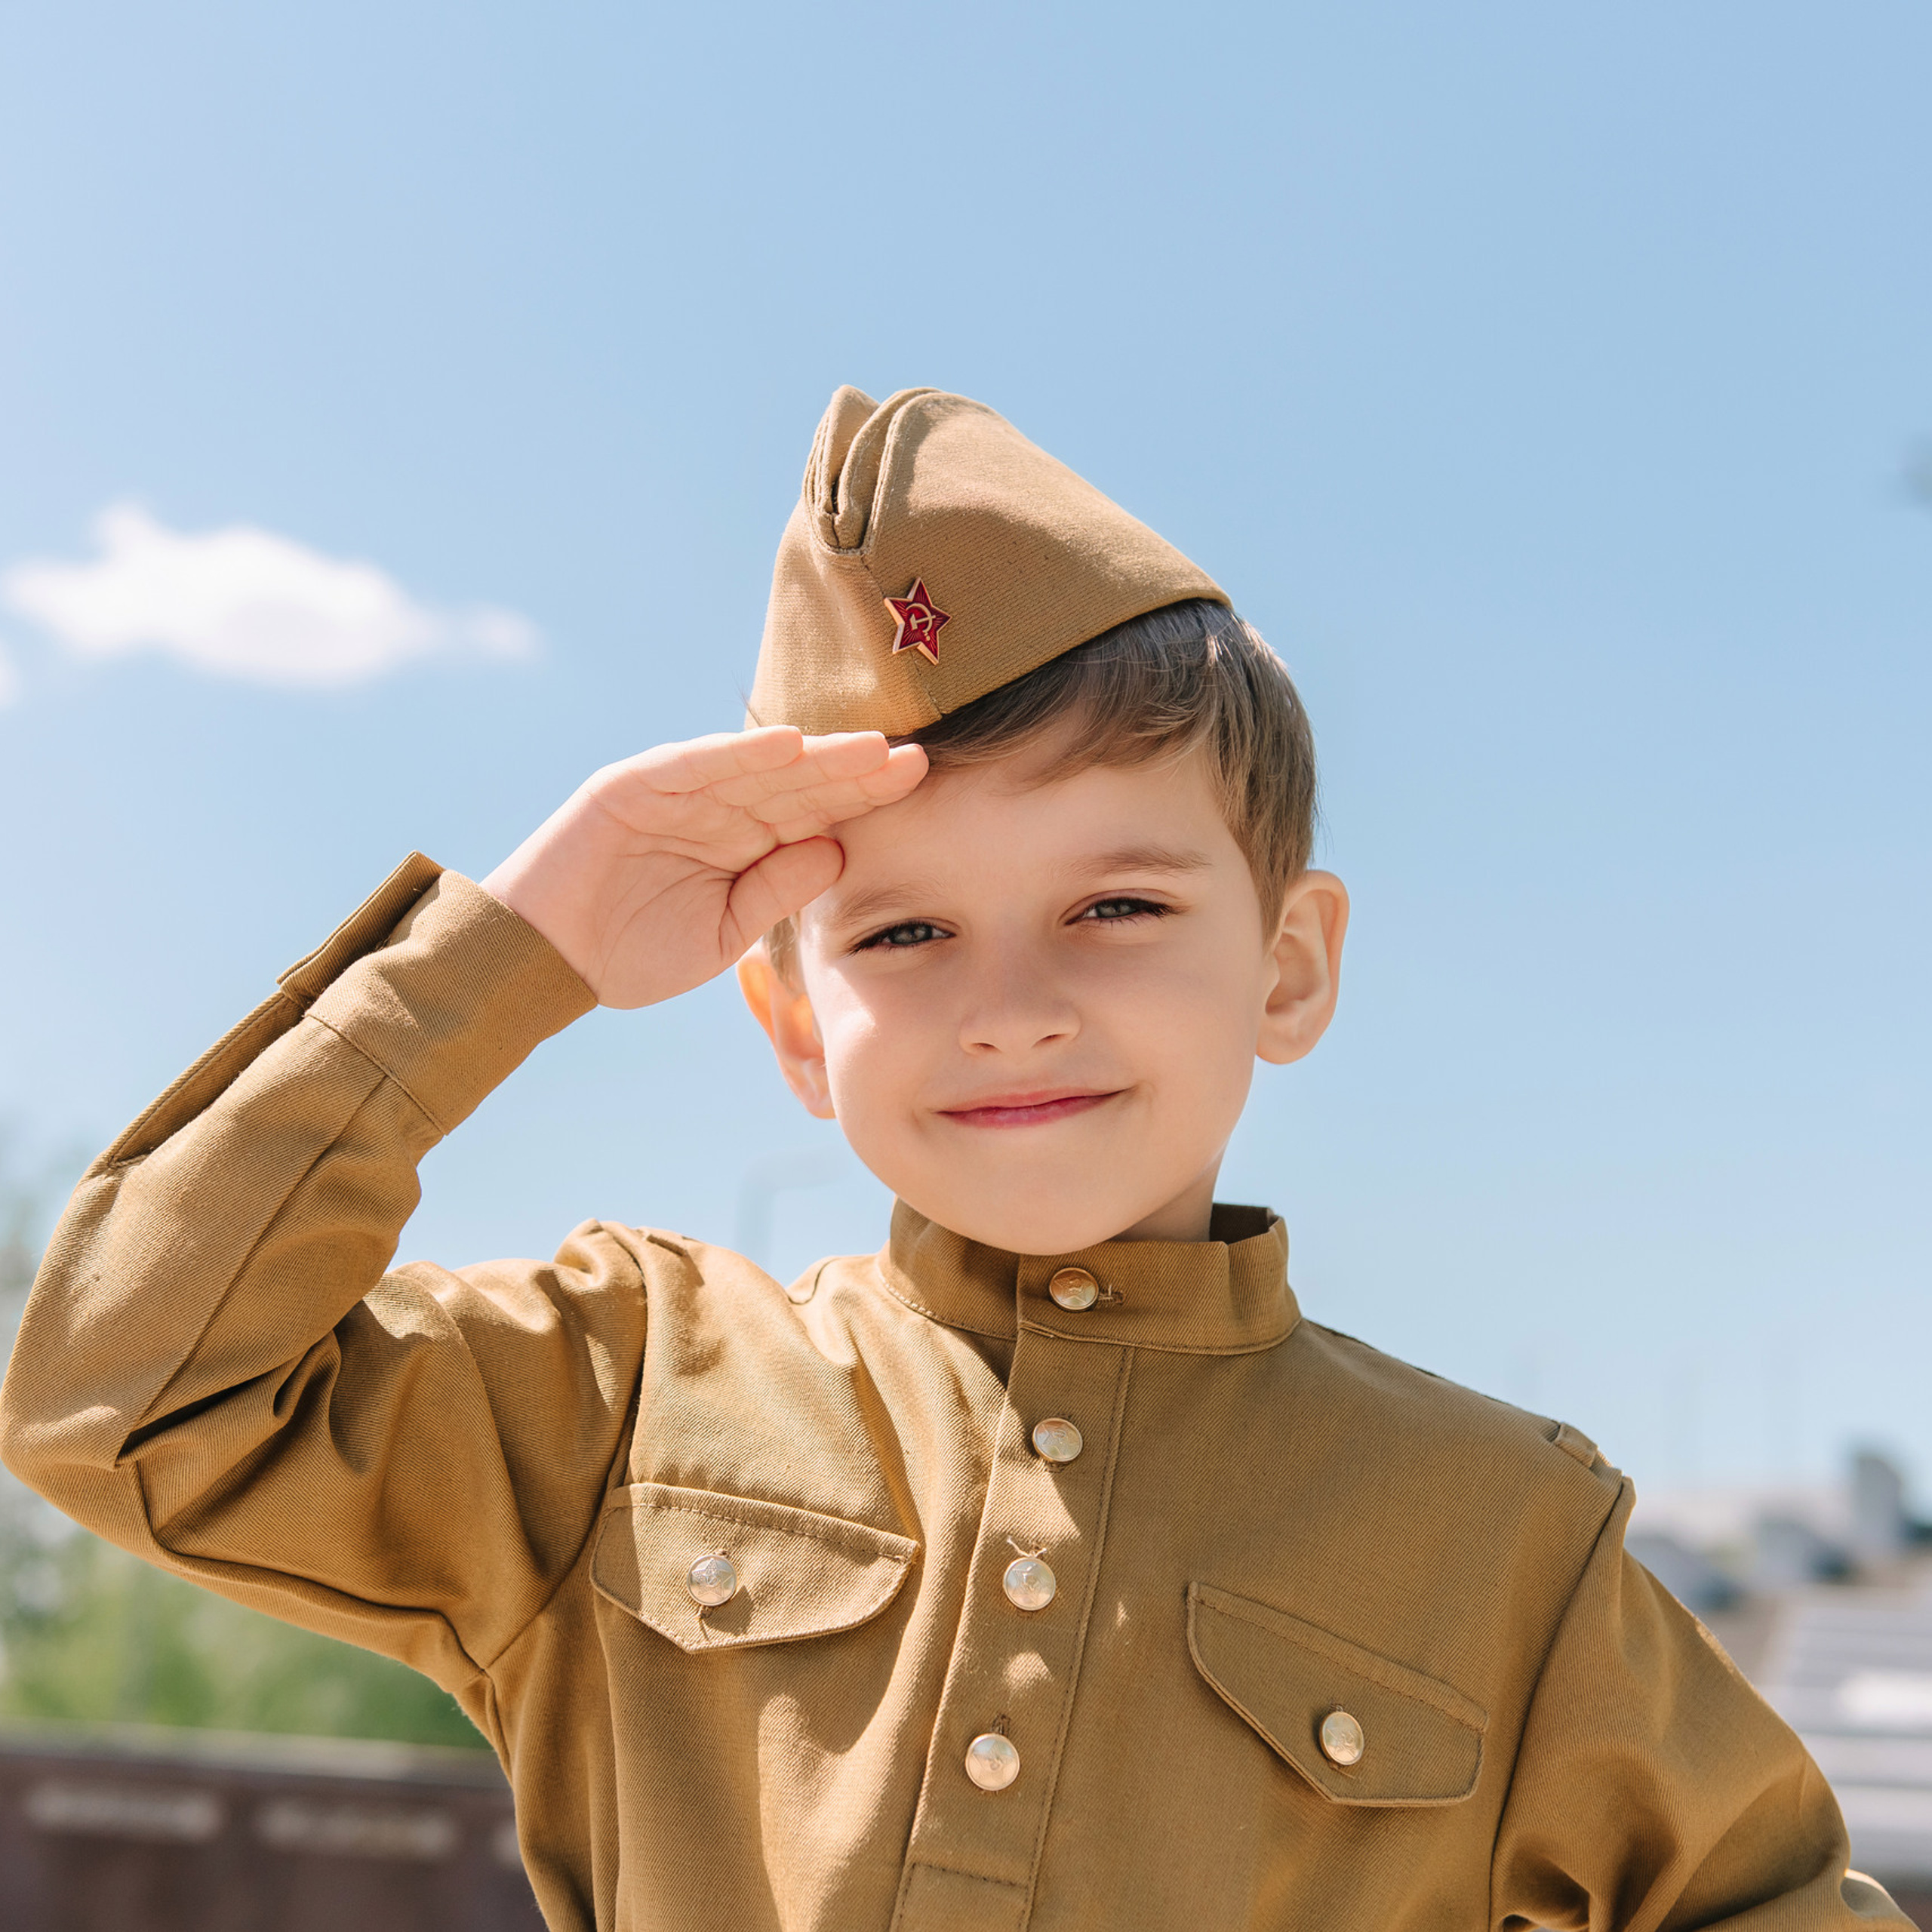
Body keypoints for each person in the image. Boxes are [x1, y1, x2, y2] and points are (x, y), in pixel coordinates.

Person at [0, 387, 1906, 1930]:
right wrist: (511, 949)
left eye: (1114, 903)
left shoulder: (1499, 1533)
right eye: (902, 935)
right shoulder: (618, 1391)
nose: (1008, 1005)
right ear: (788, 1025)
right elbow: (118, 1390)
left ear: (1290, 963)